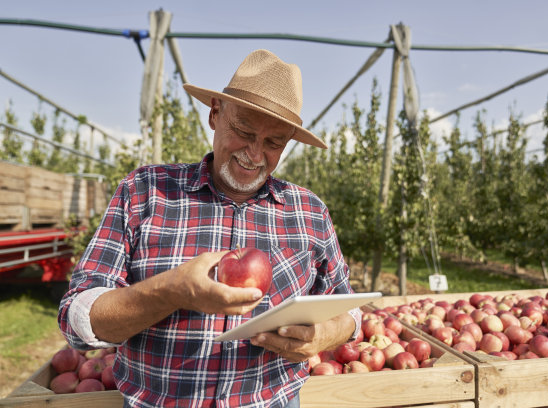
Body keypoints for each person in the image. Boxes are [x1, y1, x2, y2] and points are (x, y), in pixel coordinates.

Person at [58, 49, 361, 408]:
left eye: (274, 142)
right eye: (243, 131)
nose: (254, 152)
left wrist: (326, 334)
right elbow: (76, 321)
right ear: (215, 114)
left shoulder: (309, 211)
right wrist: (171, 290)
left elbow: (349, 309)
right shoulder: (144, 192)